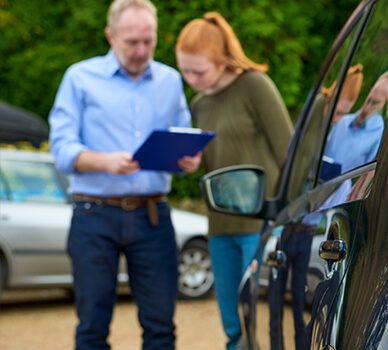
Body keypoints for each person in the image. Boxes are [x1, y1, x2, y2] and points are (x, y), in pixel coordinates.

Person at [48, 0, 200, 348]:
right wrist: (104, 161)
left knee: (161, 327)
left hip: (153, 215)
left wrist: (188, 160)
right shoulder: (79, 78)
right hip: (93, 215)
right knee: (92, 327)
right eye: (132, 42)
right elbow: (61, 148)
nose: (141, 50)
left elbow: (182, 137)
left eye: (149, 41)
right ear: (110, 35)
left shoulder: (170, 80)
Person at [175, 12, 294, 350]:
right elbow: (212, 168)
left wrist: (285, 217)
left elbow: (289, 152)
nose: (191, 78)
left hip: (261, 224)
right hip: (220, 225)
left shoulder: (255, 85)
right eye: (185, 70)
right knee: (233, 325)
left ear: (223, 58)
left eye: (198, 70)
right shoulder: (199, 104)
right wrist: (190, 162)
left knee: (262, 320)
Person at [323, 70, 388, 174]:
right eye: (368, 100)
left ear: (386, 104)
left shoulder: (380, 138)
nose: (366, 108)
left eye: (374, 103)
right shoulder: (341, 120)